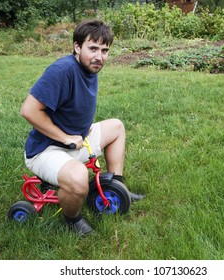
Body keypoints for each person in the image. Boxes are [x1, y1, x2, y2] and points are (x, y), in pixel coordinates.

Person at [20, 19, 144, 235]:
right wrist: (65, 137)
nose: (100, 56)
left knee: (116, 127)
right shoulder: (62, 70)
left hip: (77, 140)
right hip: (47, 150)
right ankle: (72, 220)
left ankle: (117, 186)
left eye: (105, 50)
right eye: (93, 48)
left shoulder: (89, 68)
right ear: (77, 47)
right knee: (78, 178)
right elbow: (28, 110)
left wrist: (77, 132)